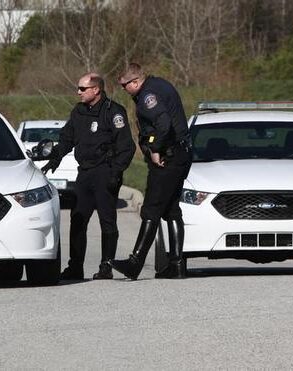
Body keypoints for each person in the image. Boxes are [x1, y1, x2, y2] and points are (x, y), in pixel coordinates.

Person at [42, 72, 135, 280]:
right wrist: (56, 156)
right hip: (84, 173)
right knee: (78, 220)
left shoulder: (114, 112)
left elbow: (127, 147)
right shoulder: (79, 111)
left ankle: (106, 266)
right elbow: (67, 137)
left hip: (106, 172)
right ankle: (75, 266)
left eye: (82, 89)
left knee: (107, 222)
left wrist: (116, 172)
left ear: (96, 90)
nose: (78, 92)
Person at [110, 63, 192, 280]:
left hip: (168, 157)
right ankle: (176, 265)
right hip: (181, 154)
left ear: (135, 82)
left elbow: (163, 123)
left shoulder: (148, 97)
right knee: (172, 210)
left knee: (151, 209)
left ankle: (134, 263)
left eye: (124, 85)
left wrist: (155, 149)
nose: (123, 90)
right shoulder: (159, 85)